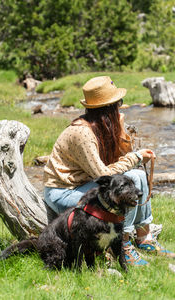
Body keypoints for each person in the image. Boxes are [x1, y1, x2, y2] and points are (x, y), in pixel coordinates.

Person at [43, 76, 175, 266]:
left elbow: (119, 161)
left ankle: (144, 238)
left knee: (137, 175)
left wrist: (121, 131)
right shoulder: (83, 133)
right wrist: (136, 157)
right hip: (64, 191)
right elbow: (104, 176)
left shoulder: (100, 127)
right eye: (118, 103)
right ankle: (123, 245)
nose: (120, 107)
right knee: (130, 181)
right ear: (107, 109)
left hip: (84, 184)